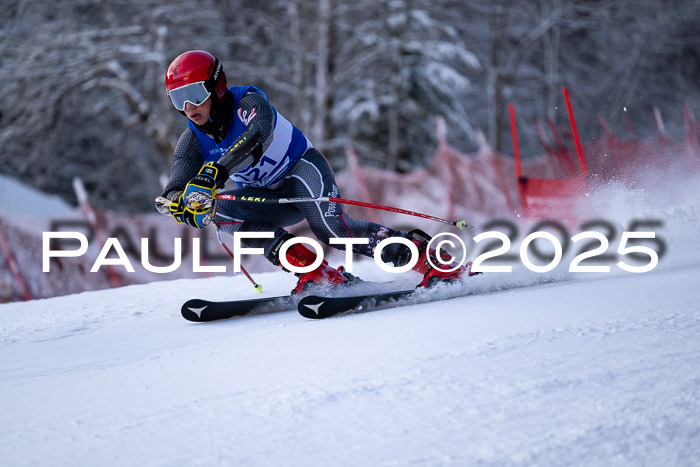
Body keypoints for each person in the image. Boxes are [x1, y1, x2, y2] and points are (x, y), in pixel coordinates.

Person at [156, 50, 470, 294]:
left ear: (217, 87)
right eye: (177, 99)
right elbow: (177, 182)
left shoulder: (248, 100)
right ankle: (316, 272)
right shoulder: (192, 137)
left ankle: (432, 261)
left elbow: (258, 134)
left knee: (334, 232)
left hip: (302, 173)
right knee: (220, 208)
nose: (188, 107)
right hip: (268, 197)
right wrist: (179, 204)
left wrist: (215, 172)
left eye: (195, 94)